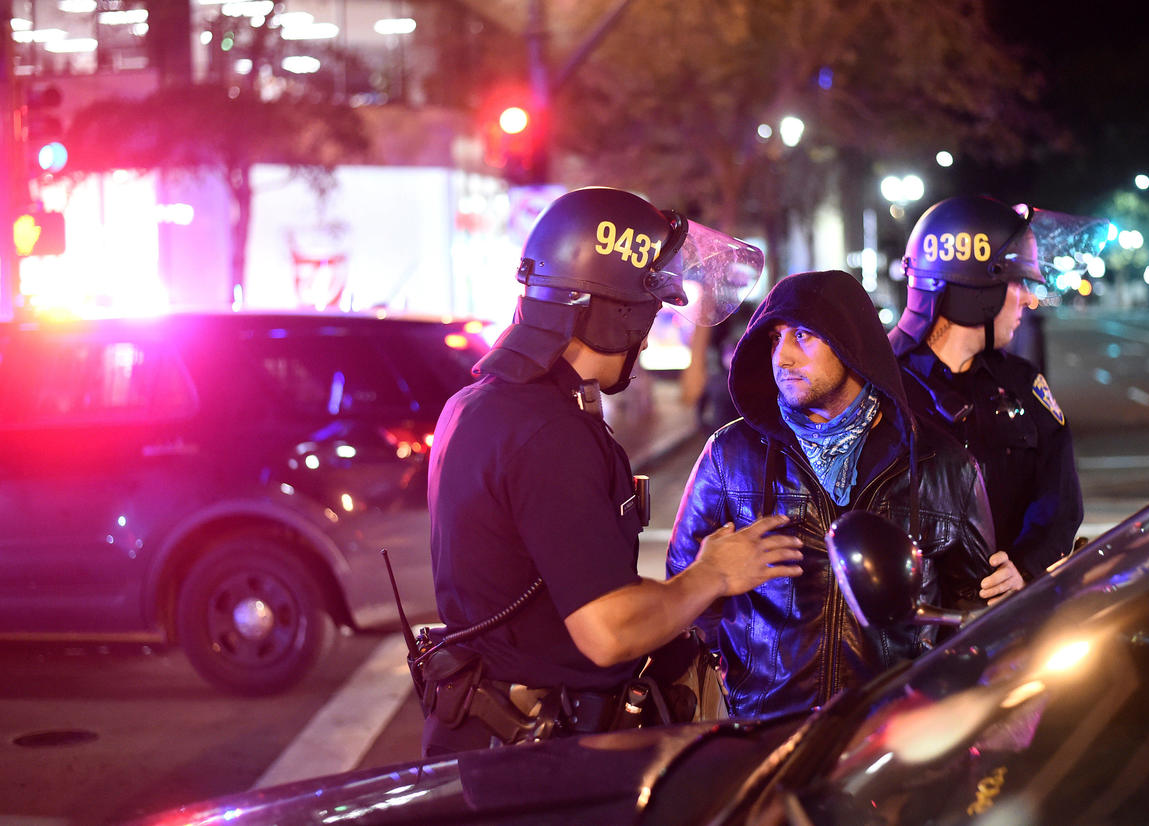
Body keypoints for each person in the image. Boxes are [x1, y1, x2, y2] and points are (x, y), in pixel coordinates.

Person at [424, 186, 804, 756]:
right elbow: (607, 631)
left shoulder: (481, 403)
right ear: (615, 311)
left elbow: (561, 587)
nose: (650, 330)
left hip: (489, 738)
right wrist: (711, 576)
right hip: (538, 768)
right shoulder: (549, 432)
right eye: (649, 307)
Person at [667, 270, 1015, 720]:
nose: (784, 357)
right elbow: (686, 585)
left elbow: (974, 609)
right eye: (775, 338)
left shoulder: (942, 465)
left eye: (805, 336)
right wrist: (750, 672)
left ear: (851, 344)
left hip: (889, 740)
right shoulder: (730, 455)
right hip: (765, 733)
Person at [889, 195, 1085, 582]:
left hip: (1005, 623)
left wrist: (1025, 568)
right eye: (1015, 283)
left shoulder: (1023, 384)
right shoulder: (882, 385)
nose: (1028, 299)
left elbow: (1060, 500)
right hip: (908, 629)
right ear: (977, 289)